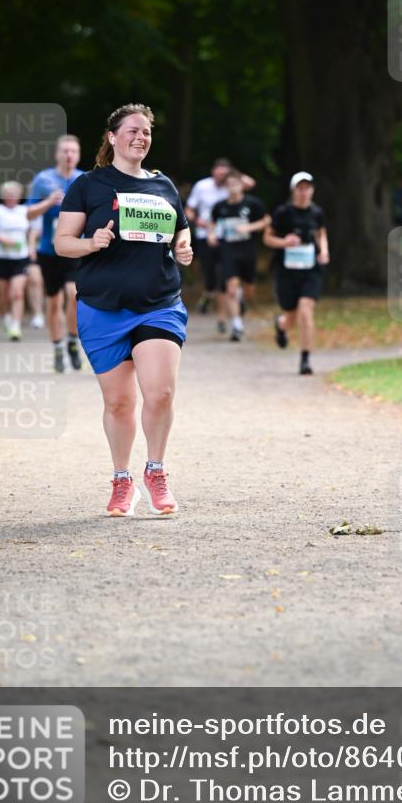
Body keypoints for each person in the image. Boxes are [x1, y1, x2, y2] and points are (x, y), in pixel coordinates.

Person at [54, 103, 193, 518]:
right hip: (103, 307)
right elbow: (63, 241)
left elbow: (179, 229)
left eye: (146, 132)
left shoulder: (163, 185)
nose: (140, 137)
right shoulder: (89, 185)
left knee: (161, 392)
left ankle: (155, 470)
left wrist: (183, 246)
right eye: (132, 130)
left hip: (158, 303)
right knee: (118, 403)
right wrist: (92, 242)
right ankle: (121, 479)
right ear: (112, 138)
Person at [26, 135, 85, 372]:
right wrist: (48, 202)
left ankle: (72, 340)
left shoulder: (84, 179)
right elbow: (29, 213)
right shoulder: (44, 180)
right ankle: (58, 347)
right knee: (53, 303)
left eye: (73, 151)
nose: (69, 155)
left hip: (75, 247)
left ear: (78, 155)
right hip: (49, 251)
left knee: (73, 295)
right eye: (65, 151)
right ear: (57, 154)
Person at [264, 171, 329, 375]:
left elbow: (321, 233)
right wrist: (285, 242)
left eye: (307, 188)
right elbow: (267, 238)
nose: (304, 192)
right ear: (294, 190)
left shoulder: (317, 212)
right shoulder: (283, 212)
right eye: (300, 188)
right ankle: (280, 325)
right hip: (287, 272)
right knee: (290, 318)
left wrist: (324, 251)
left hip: (311, 271)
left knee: (305, 310)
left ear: (312, 190)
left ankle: (305, 359)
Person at [208, 169, 270, 341]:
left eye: (236, 183)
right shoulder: (220, 206)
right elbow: (211, 224)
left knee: (249, 288)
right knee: (231, 288)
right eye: (229, 184)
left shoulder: (252, 204)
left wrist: (248, 228)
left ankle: (243, 297)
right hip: (228, 250)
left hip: (248, 250)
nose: (233, 187)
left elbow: (266, 221)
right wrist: (211, 235)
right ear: (226, 187)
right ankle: (237, 326)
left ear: (242, 185)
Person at [184, 158, 231, 325]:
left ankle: (224, 313)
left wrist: (232, 176)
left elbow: (250, 183)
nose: (221, 176)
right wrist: (197, 221)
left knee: (227, 274)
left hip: (226, 236)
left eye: (225, 173)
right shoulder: (202, 186)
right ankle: (208, 293)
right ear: (213, 171)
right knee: (210, 272)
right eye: (219, 172)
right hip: (205, 234)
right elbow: (189, 209)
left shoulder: (231, 185)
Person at [0, 181, 30, 340]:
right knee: (3, 295)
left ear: (19, 196)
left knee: (17, 293)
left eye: (14, 194)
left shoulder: (25, 211)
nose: (11, 197)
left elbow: (33, 231)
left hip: (20, 257)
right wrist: (2, 239)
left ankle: (15, 326)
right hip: (0, 257)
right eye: (8, 194)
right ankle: (4, 316)